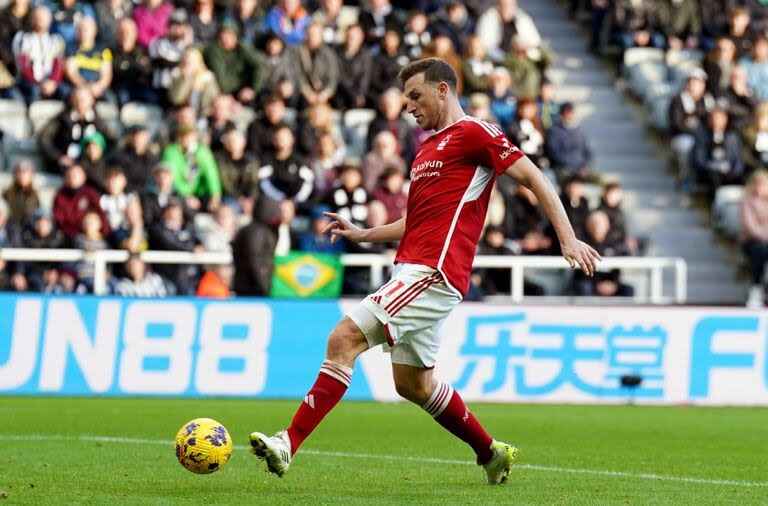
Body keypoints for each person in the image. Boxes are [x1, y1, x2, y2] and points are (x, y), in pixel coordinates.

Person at [248, 57, 600, 485]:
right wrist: (364, 234)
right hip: (410, 272)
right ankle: (491, 453)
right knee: (412, 385)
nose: (409, 106)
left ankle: (288, 442)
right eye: (404, 98)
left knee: (342, 338)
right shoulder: (426, 150)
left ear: (443, 90)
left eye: (415, 96)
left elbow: (535, 179)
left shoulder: (476, 133)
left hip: (433, 273)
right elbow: (414, 219)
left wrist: (567, 238)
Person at [161, 123, 222, 212]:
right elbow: (171, 179)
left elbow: (211, 174)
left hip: (199, 193)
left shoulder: (202, 152)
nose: (186, 139)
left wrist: (215, 195)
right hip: (178, 194)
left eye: (189, 136)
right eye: (182, 136)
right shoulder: (171, 152)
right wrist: (185, 197)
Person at [12, 5, 67, 103]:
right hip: (29, 81)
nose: (40, 20)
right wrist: (40, 83)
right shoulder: (22, 38)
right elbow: (23, 66)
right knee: (34, 91)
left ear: (49, 20)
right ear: (32, 18)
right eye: (37, 17)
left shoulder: (56, 40)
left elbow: (59, 65)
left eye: (43, 17)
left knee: (65, 92)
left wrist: (53, 82)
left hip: (51, 82)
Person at [741, 169, 768, 308]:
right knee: (760, 250)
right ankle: (756, 288)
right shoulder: (747, 202)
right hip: (752, 242)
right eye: (756, 184)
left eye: (762, 184)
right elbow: (750, 227)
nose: (759, 188)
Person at [3, 159, 41, 228]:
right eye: (20, 172)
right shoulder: (7, 193)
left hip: (29, 229)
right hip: (11, 229)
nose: (22, 176)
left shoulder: (34, 195)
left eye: (26, 173)